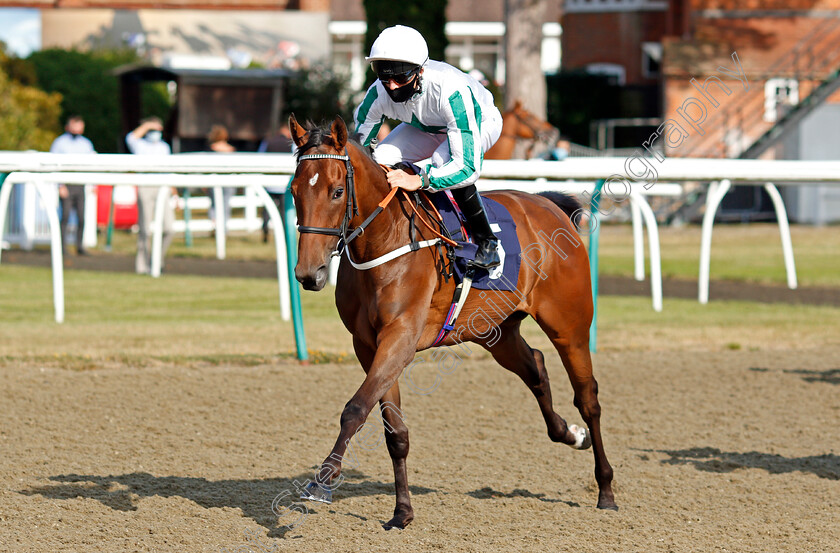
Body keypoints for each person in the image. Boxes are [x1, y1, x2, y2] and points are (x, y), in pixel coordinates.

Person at [352, 25, 504, 269]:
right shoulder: (377, 93)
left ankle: (487, 243)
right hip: (428, 126)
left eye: (401, 77)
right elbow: (359, 149)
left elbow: (467, 167)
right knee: (380, 158)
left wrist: (420, 180)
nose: (391, 86)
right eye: (384, 76)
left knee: (443, 161)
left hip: (479, 121)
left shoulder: (451, 89)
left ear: (421, 71)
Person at [125, 116, 176, 275]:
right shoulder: (140, 145)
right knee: (145, 229)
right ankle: (142, 265)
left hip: (162, 187)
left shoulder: (164, 147)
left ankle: (157, 260)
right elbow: (131, 138)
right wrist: (147, 125)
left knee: (169, 228)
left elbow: (169, 169)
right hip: (145, 185)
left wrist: (173, 190)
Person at [50, 115, 96, 256]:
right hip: (66, 184)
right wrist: (60, 185)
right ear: (68, 126)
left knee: (82, 218)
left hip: (80, 184)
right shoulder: (60, 143)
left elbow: (92, 163)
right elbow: (53, 164)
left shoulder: (86, 144)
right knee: (65, 217)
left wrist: (92, 183)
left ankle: (79, 246)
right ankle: (62, 248)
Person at [258, 123, 296, 242]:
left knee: (267, 210)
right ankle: (286, 235)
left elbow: (260, 156)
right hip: (284, 184)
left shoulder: (268, 141)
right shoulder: (291, 143)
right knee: (284, 212)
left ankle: (265, 229)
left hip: (269, 183)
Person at [207, 124, 236, 237]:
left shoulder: (211, 149)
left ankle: (215, 226)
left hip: (214, 180)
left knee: (214, 205)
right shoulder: (230, 149)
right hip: (229, 182)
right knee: (225, 205)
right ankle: (223, 228)